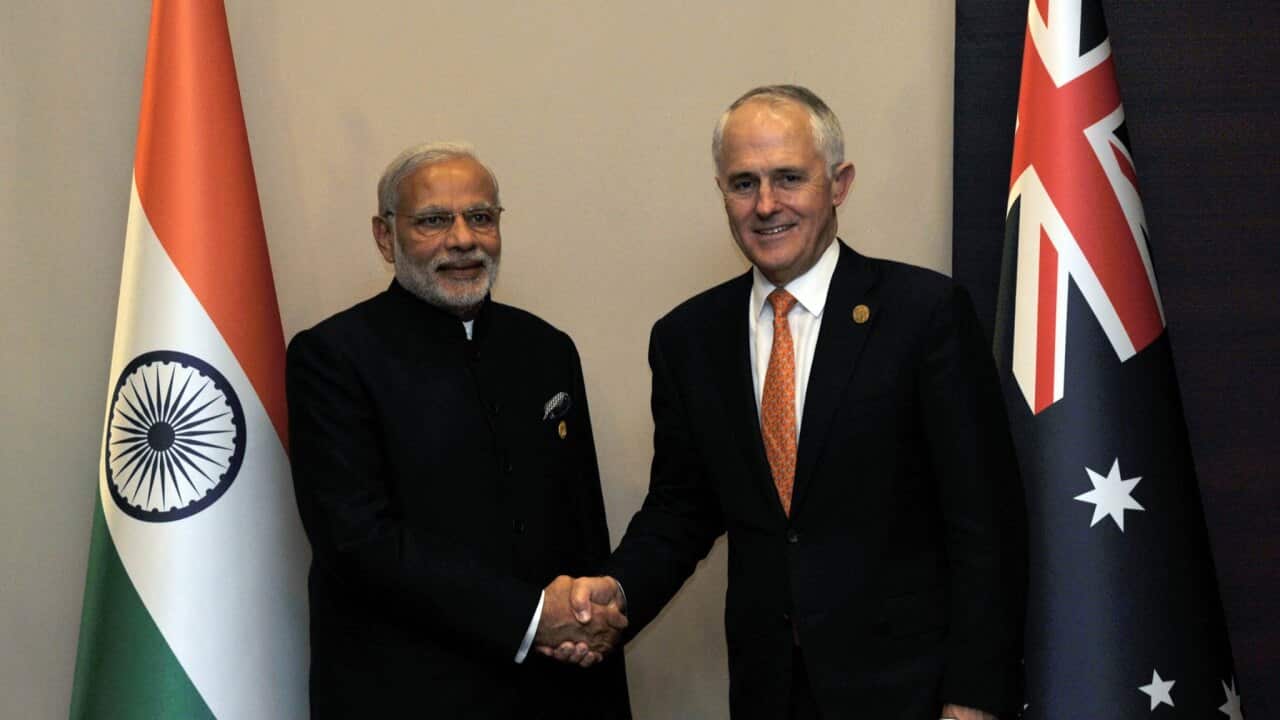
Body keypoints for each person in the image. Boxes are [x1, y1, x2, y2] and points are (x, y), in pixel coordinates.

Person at [566, 86, 1027, 719]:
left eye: (788, 178)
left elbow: (985, 523)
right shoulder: (688, 339)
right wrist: (616, 590)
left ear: (839, 184)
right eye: (743, 183)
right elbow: (681, 509)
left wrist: (973, 698)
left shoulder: (924, 315)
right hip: (770, 692)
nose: (765, 205)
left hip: (908, 690)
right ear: (722, 192)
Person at [286, 142, 630, 718]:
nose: (464, 239)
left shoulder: (546, 348)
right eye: (433, 221)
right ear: (384, 237)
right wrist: (530, 618)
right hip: (407, 694)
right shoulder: (332, 357)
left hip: (556, 687)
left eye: (481, 217)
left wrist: (589, 624)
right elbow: (357, 541)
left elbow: (582, 523)